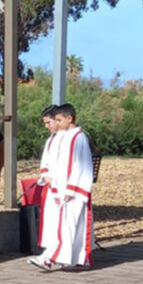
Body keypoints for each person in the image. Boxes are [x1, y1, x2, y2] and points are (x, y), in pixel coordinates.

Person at [29, 103, 95, 270]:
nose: (55, 124)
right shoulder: (60, 137)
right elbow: (51, 161)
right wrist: (48, 177)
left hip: (72, 191)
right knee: (64, 225)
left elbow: (81, 165)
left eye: (58, 120)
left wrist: (73, 189)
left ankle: (52, 257)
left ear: (69, 118)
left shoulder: (78, 137)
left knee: (69, 225)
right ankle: (71, 257)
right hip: (59, 189)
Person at [35, 104, 61, 251]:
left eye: (48, 122)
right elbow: (45, 161)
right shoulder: (51, 139)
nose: (47, 126)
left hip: (63, 186)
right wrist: (45, 175)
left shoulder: (72, 138)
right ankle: (51, 249)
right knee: (51, 218)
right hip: (50, 184)